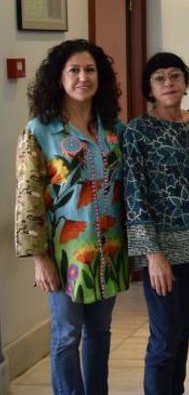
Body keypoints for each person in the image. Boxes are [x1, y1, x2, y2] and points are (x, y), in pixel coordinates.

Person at [14, 39, 128, 395]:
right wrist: (40, 258)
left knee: (100, 334)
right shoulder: (40, 131)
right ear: (58, 78)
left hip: (109, 251)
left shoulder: (114, 130)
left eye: (90, 70)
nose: (83, 77)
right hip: (64, 255)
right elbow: (28, 199)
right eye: (74, 70)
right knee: (66, 335)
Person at [124, 52, 189, 395]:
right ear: (148, 88)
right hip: (161, 255)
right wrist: (153, 255)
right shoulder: (137, 132)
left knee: (183, 332)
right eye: (159, 78)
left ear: (185, 82)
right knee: (164, 339)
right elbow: (134, 195)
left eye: (175, 76)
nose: (168, 83)